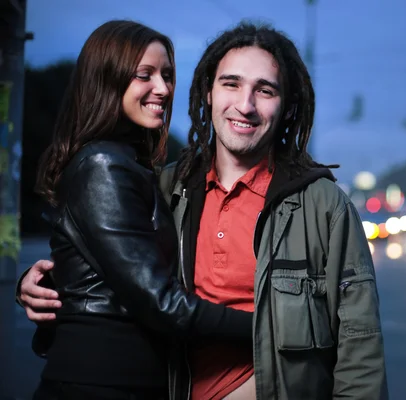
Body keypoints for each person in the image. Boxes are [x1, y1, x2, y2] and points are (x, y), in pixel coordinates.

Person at [20, 21, 389, 399]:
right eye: (231, 84)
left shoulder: (323, 206)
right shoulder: (165, 189)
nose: (245, 105)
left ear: (285, 105)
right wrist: (43, 283)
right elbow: (108, 269)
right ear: (208, 93)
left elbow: (359, 343)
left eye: (265, 90)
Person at [22, 20, 253, 400]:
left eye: (167, 75)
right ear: (107, 80)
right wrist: (269, 327)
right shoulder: (103, 165)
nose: (163, 89)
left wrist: (38, 283)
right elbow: (162, 303)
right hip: (101, 384)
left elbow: (93, 268)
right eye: (144, 75)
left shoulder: (127, 164)